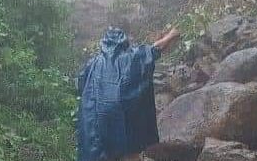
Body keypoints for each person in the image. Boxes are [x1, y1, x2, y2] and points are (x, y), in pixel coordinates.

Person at [77, 26, 180, 161]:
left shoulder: (93, 63)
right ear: (123, 41)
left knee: (100, 151)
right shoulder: (132, 57)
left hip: (98, 122)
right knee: (130, 152)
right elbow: (154, 50)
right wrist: (171, 35)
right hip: (124, 123)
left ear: (104, 43)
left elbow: (81, 84)